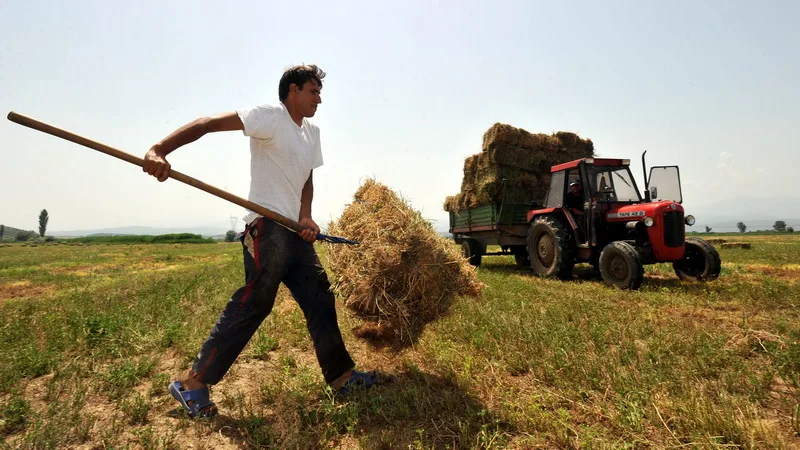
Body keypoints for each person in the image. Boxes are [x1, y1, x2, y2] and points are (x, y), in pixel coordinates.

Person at [143, 64, 377, 418]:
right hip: (266, 226)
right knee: (257, 300)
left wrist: (305, 215)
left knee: (319, 297)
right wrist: (159, 150)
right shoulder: (270, 117)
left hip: (294, 232)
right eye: (313, 91)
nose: (319, 99)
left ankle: (341, 377)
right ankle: (192, 384)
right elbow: (207, 124)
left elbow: (306, 179)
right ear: (293, 91)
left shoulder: (312, 132)